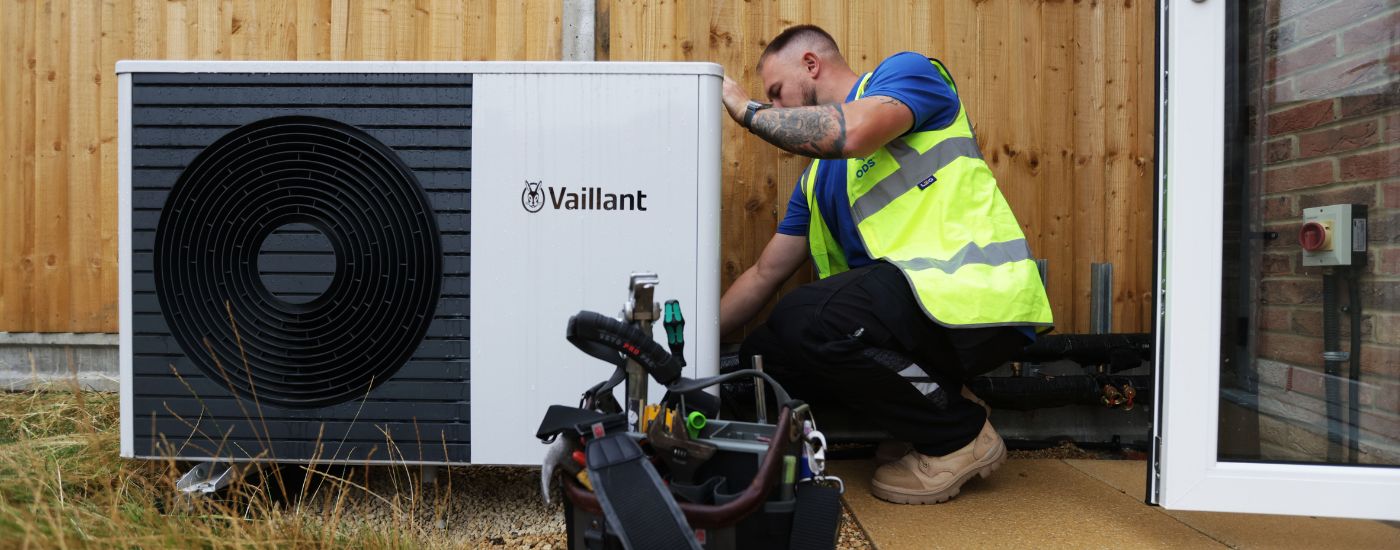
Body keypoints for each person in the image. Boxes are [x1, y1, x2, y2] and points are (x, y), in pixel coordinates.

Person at [718, 25, 1053, 505]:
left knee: (803, 317)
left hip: (972, 296)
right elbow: (763, 275)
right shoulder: (816, 181)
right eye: (769, 99)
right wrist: (691, 347)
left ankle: (957, 435)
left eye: (778, 93)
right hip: (912, 315)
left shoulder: (906, 76)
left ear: (811, 65)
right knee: (768, 349)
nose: (778, 108)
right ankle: (934, 403)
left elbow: (851, 132)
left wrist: (749, 110)